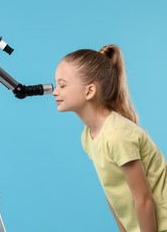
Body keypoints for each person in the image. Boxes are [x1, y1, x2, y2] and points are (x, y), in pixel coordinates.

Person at [52, 44, 167, 232]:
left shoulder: (117, 135)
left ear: (89, 91)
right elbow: (112, 192)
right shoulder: (89, 136)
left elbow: (144, 199)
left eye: (62, 85)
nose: (55, 91)